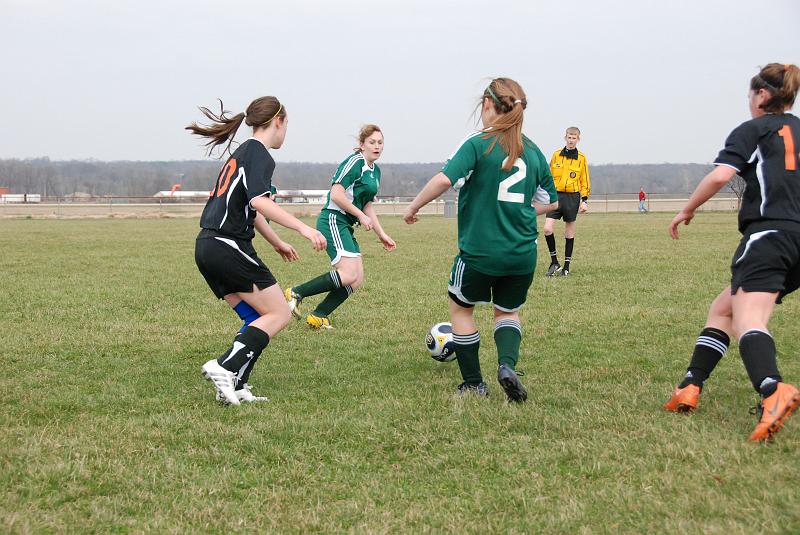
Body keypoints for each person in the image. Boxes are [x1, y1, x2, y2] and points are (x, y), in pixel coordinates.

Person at [666, 63, 800, 442]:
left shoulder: (753, 130)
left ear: (761, 95)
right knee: (723, 308)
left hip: (770, 236)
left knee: (748, 319)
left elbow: (722, 175)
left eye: (749, 95)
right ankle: (690, 386)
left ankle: (773, 390)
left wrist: (687, 208)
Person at [403, 77, 558, 401]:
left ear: (487, 105)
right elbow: (551, 200)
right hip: (522, 253)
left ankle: (474, 384)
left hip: (480, 252)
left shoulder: (478, 144)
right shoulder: (533, 152)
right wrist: (523, 212)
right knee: (507, 312)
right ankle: (506, 365)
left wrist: (414, 206)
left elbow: (445, 179)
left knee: (461, 309)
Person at [187, 96, 327, 405]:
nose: (286, 131)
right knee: (279, 313)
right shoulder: (260, 154)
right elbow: (259, 202)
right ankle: (224, 366)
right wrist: (304, 228)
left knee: (256, 316)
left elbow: (251, 210)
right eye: (287, 124)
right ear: (277, 121)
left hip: (207, 246)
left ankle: (235, 386)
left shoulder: (242, 153)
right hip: (228, 245)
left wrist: (277, 242)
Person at [284, 125, 396, 329]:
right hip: (333, 220)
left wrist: (382, 234)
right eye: (372, 142)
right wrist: (360, 216)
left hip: (346, 223)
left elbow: (367, 204)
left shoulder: (375, 171)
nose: (377, 146)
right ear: (362, 145)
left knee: (356, 279)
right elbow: (336, 194)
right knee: (349, 274)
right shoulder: (356, 162)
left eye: (380, 142)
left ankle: (319, 315)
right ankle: (296, 292)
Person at [543, 127, 591, 277]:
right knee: (547, 229)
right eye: (569, 137)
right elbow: (548, 176)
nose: (571, 140)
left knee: (569, 231)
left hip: (572, 197)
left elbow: (585, 180)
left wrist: (584, 201)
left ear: (578, 139)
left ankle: (566, 266)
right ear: (565, 138)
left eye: (574, 138)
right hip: (556, 197)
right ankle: (554, 262)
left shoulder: (581, 158)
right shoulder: (556, 155)